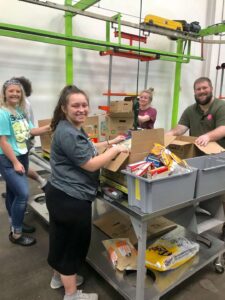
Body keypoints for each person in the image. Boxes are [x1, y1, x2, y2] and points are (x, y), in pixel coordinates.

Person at [45, 85, 128, 300]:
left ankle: (59, 278)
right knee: (72, 245)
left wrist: (111, 142)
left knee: (60, 240)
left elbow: (87, 148)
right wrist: (115, 151)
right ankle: (71, 294)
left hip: (61, 195)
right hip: (70, 198)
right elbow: (90, 164)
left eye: (84, 105)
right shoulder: (68, 133)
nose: (81, 109)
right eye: (76, 105)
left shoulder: (70, 128)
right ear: (64, 107)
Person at [0, 78, 50, 246]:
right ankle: (16, 234)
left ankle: (17, 223)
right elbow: (4, 142)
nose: (15, 93)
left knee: (13, 193)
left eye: (18, 91)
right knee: (22, 195)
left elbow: (31, 131)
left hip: (22, 155)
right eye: (11, 91)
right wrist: (14, 162)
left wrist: (50, 126)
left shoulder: (19, 111)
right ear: (5, 93)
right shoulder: (3, 112)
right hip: (9, 158)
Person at [166, 77, 225, 147]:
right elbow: (181, 128)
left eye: (204, 88)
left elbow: (223, 128)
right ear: (194, 92)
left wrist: (207, 137)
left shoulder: (221, 106)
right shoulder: (190, 110)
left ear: (211, 89)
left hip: (219, 153)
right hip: (196, 151)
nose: (201, 91)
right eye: (198, 89)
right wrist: (170, 133)